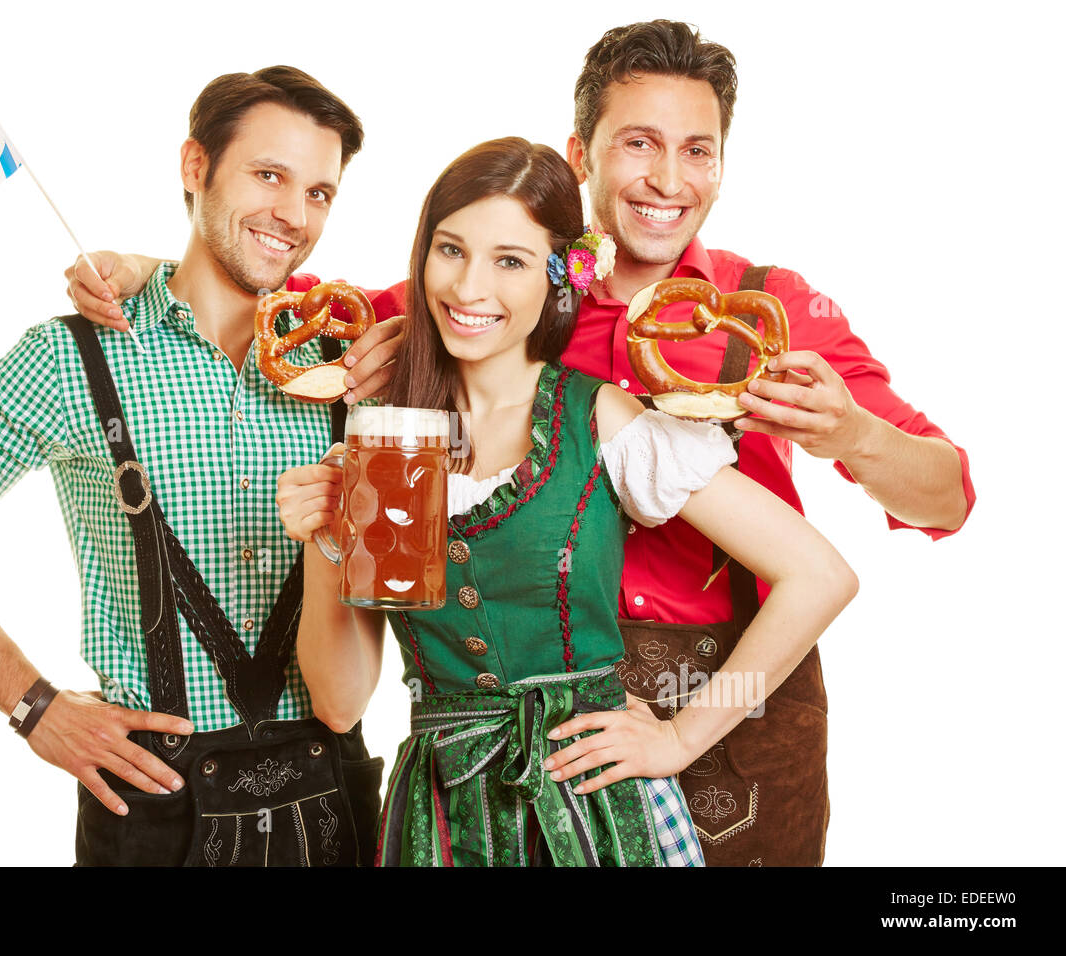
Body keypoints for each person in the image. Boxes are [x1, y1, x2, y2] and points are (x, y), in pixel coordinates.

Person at [62, 20, 975, 866]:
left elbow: (940, 501)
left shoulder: (762, 315)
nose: (667, 179)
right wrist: (147, 270)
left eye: (696, 150)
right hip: (456, 795)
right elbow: (280, 302)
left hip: (736, 708)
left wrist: (850, 432)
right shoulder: (433, 374)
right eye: (638, 143)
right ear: (582, 159)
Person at [0, 66, 406, 866]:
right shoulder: (70, 358)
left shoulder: (351, 368)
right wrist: (34, 708)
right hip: (154, 807)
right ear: (195, 167)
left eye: (320, 192)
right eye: (268, 175)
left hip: (336, 801)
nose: (294, 214)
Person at [275, 137, 857, 867]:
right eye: (450, 250)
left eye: (509, 261)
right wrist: (323, 544)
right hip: (442, 822)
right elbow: (340, 702)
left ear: (560, 275)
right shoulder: (387, 442)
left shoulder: (601, 420)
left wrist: (682, 736)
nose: (468, 288)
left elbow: (821, 577)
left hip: (601, 816)